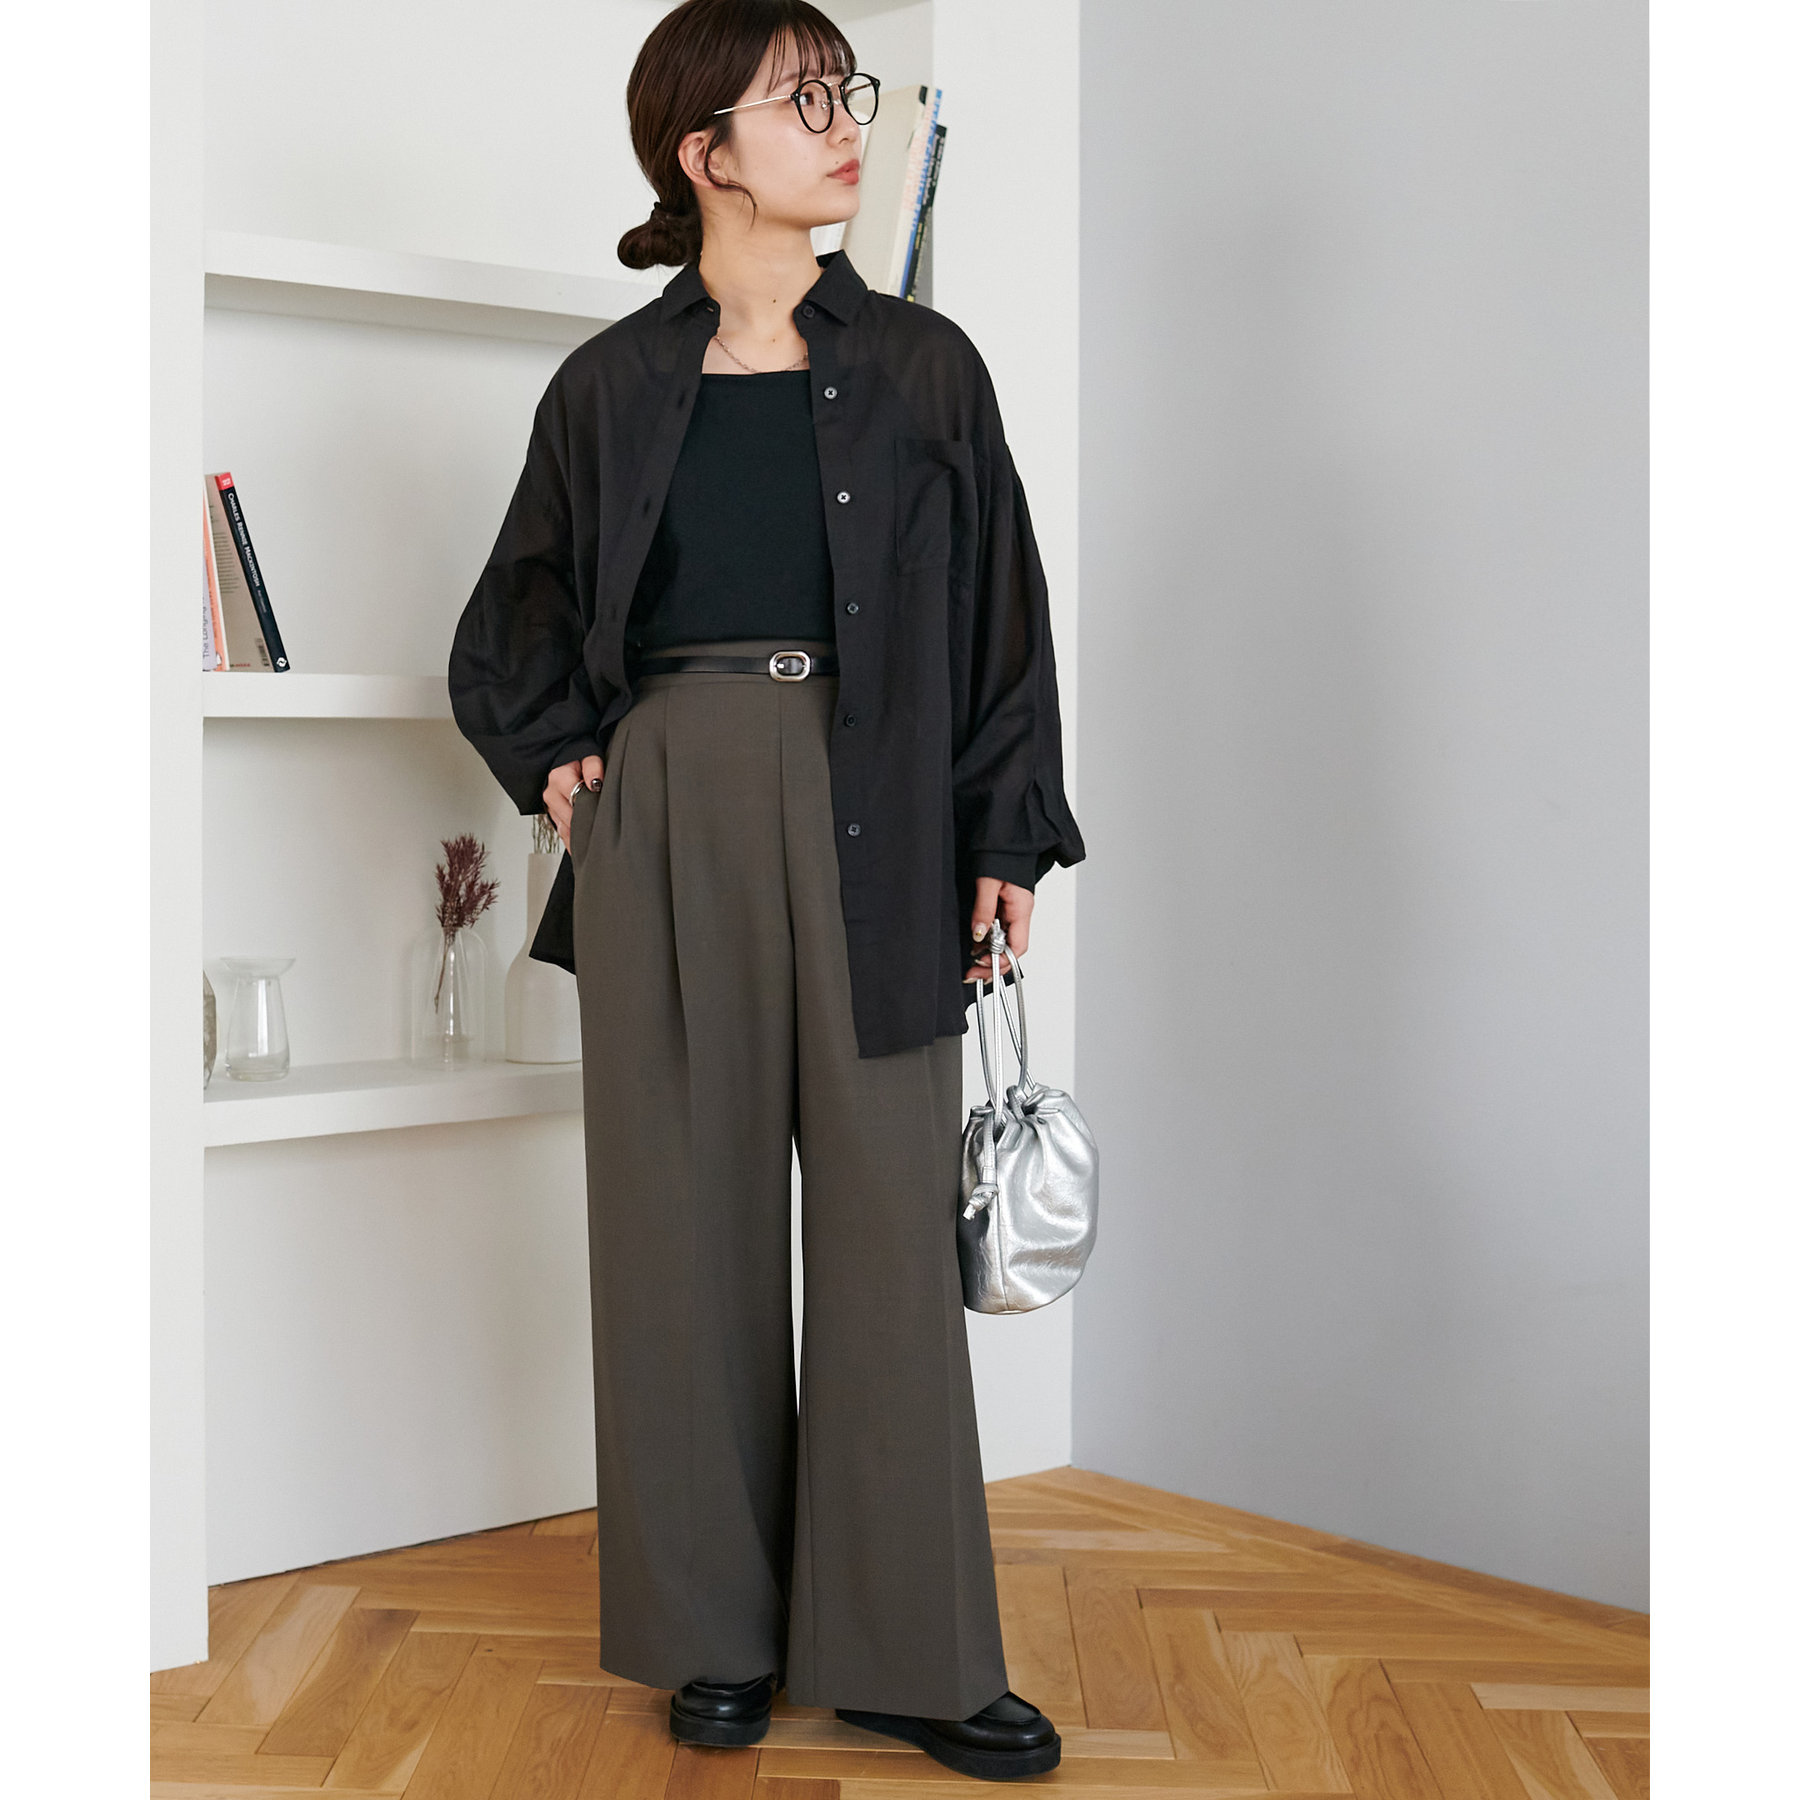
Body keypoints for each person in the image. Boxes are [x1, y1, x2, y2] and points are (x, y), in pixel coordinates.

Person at [448, 0, 1083, 1781]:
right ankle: (710, 1634)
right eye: (801, 100)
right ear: (702, 152)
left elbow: (1004, 617)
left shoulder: (928, 369)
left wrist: (1003, 833)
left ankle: (908, 1652)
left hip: (880, 804)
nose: (843, 120)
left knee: (887, 1236)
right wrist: (564, 756)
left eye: (843, 90)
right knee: (680, 1233)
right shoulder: (607, 387)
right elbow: (511, 619)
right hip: (671, 813)